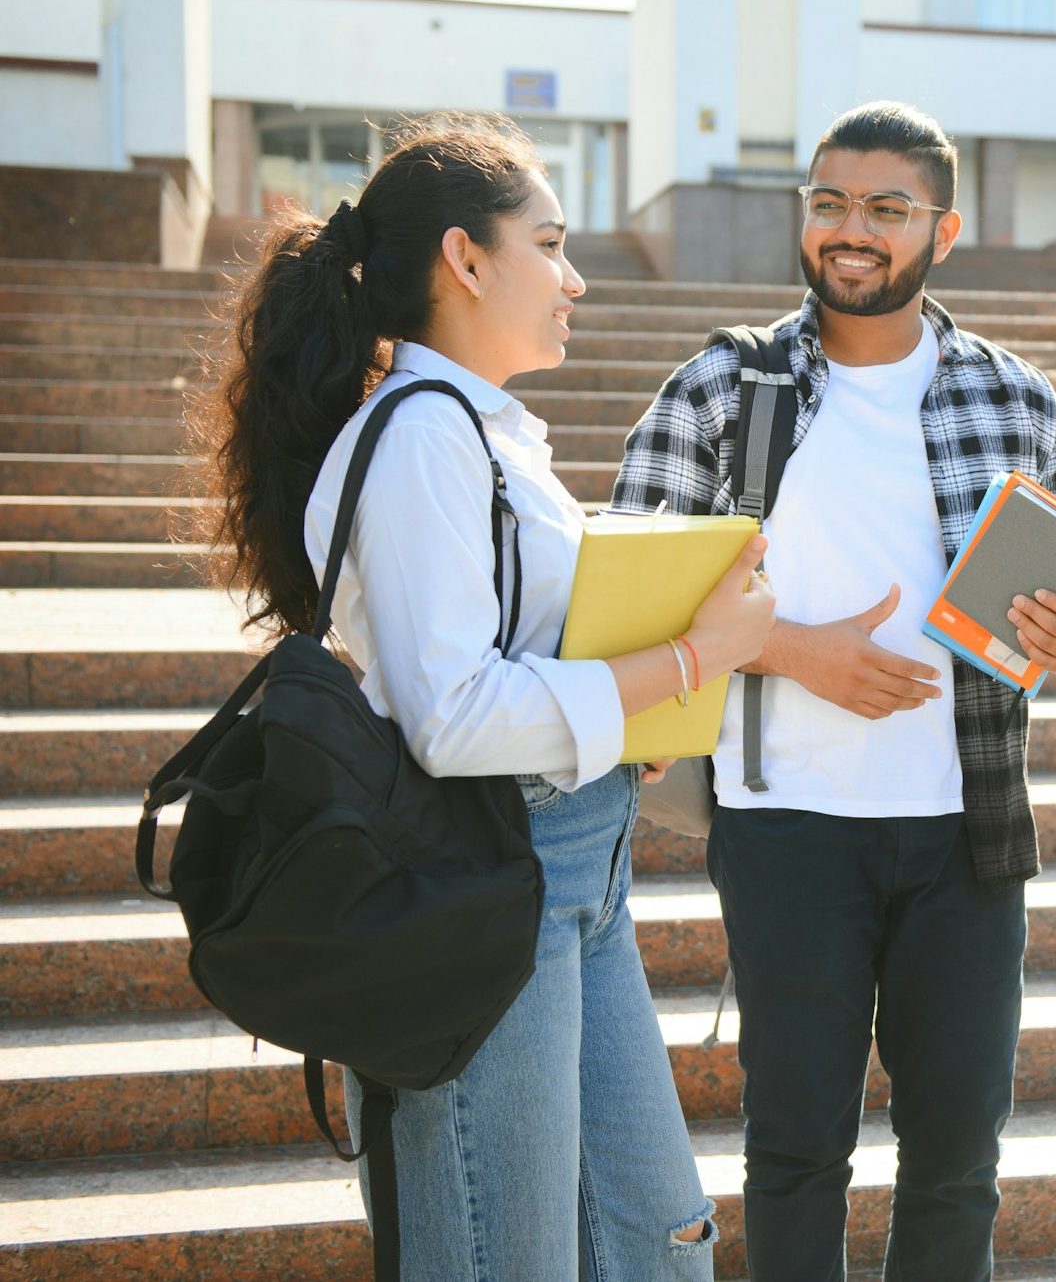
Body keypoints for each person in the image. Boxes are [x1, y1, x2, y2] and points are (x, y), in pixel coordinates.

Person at [189, 113, 776, 1280]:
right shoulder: (422, 442)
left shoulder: (482, 432)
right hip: (482, 877)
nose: (573, 277)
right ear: (464, 258)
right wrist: (691, 660)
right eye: (549, 245)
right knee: (506, 1255)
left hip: (572, 870)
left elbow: (513, 656)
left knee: (658, 1238)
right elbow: (452, 716)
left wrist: (622, 727)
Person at [610, 101, 1056, 1280]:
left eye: (886, 209)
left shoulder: (1017, 399)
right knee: (794, 1149)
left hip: (964, 830)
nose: (851, 230)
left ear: (941, 228)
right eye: (830, 202)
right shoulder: (724, 386)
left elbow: (1054, 625)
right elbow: (622, 600)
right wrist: (791, 648)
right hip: (785, 827)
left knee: (955, 1157)